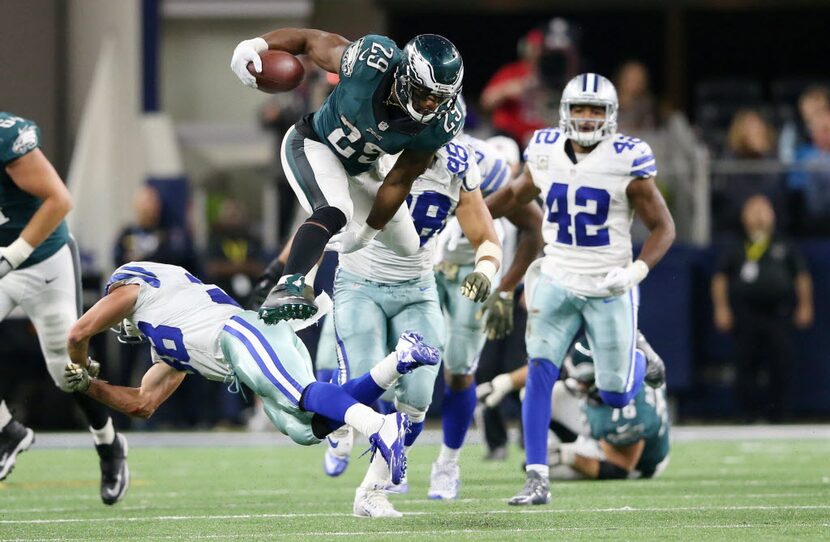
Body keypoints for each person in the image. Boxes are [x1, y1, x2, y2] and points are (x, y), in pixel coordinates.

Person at [62, 261, 442, 517]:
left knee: (300, 393)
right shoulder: (167, 344)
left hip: (243, 333)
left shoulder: (139, 287)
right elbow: (143, 404)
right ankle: (399, 360)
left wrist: (78, 365)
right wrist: (91, 387)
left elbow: (78, 332)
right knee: (309, 428)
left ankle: (379, 426)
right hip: (247, 358)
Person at [485, 73, 675, 505]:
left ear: (611, 116)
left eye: (595, 110)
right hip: (556, 275)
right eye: (579, 109)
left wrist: (637, 271)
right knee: (539, 371)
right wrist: (466, 217)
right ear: (564, 112)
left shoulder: (628, 158)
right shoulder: (545, 147)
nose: (586, 118)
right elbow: (517, 193)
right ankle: (537, 479)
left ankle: (638, 356)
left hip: (609, 284)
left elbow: (664, 226)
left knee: (615, 393)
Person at [230, 28, 465, 324]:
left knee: (407, 245)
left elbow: (400, 179)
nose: (431, 105)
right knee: (336, 209)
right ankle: (287, 282)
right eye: (424, 93)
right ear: (405, 78)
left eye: (440, 98)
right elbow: (308, 40)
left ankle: (318, 247)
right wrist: (255, 43)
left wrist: (367, 233)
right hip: (314, 145)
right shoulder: (371, 63)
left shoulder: (442, 122)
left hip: (364, 168)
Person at [322, 136, 500, 514]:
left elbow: (485, 235)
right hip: (360, 282)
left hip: (418, 288)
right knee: (368, 390)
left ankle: (373, 492)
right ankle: (336, 420)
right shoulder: (374, 145)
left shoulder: (456, 162)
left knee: (417, 400)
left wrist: (485, 268)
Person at [0, 112, 129, 505]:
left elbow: (60, 200)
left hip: (42, 262)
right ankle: (8, 433)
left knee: (66, 371)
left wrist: (10, 258)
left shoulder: (8, 138)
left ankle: (109, 445)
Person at [427, 133, 543, 500]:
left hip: (487, 283)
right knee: (419, 363)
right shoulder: (400, 149)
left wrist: (510, 288)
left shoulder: (493, 181)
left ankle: (458, 459)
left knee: (472, 367)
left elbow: (535, 231)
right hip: (431, 270)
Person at [478, 333, 671, 481]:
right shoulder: (600, 361)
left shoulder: (632, 412)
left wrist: (569, 457)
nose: (577, 385)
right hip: (600, 410)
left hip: (634, 463)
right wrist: (504, 383)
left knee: (552, 469)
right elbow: (548, 369)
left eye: (585, 382)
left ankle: (569, 448)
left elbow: (620, 466)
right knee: (535, 394)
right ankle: (555, 446)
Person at [711, 194, 813, 422]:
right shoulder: (736, 245)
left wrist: (805, 305)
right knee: (745, 364)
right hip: (746, 315)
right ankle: (748, 414)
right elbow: (720, 278)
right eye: (753, 209)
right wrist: (721, 308)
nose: (758, 215)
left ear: (773, 215)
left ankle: (780, 414)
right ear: (743, 216)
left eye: (763, 209)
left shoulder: (783, 244)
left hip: (778, 314)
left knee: (781, 364)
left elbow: (801, 276)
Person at [480, 18, 581, 146]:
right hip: (513, 139)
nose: (535, 51)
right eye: (533, 47)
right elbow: (485, 102)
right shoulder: (512, 71)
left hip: (548, 140)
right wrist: (506, 91)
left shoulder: (565, 75)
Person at [712, 109, 782, 235]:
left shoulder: (774, 160)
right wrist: (749, 207)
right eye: (749, 128)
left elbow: (778, 193)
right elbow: (725, 194)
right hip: (734, 224)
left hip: (769, 221)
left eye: (758, 127)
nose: (755, 131)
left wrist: (762, 207)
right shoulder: (728, 161)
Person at [613, 61, 657, 133]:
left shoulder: (648, 105)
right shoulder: (608, 100)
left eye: (638, 77)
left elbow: (650, 132)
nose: (635, 81)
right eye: (631, 76)